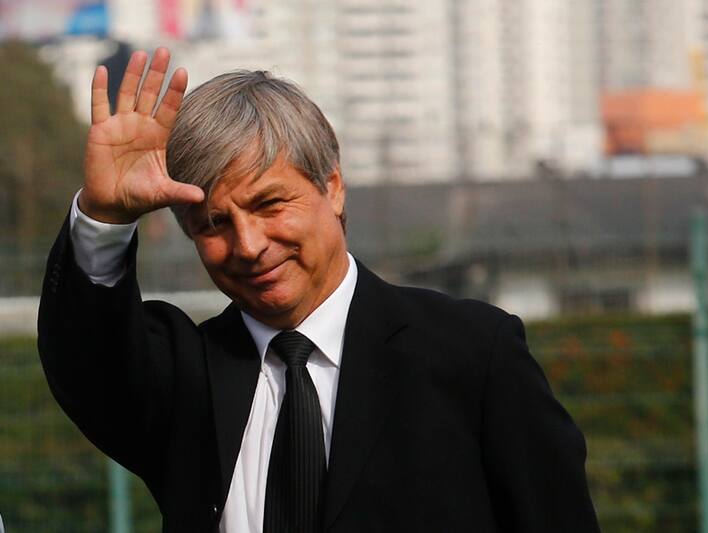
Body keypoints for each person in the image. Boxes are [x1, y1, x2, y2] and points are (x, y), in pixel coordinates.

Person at [38, 47, 600, 532]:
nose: (249, 243)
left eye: (269, 204)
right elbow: (87, 361)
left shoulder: (472, 355)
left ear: (331, 187)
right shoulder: (187, 376)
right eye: (214, 223)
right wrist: (104, 219)